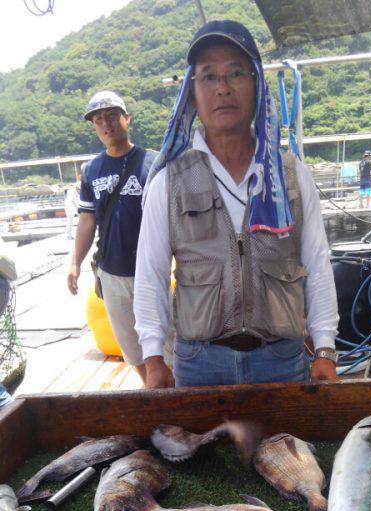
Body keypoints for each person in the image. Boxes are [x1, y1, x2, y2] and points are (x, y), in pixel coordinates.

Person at [134, 20, 339, 390]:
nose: (223, 88)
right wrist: (153, 358)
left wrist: (324, 349)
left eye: (236, 73)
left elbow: (318, 264)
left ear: (257, 84)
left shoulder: (291, 175)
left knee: (289, 449)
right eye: (208, 77)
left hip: (282, 357)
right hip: (199, 362)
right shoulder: (168, 181)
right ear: (192, 93)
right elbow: (151, 274)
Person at [67, 90, 155, 385]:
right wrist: (75, 263)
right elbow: (87, 219)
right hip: (111, 272)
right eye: (98, 120)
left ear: (126, 118)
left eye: (112, 116)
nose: (106, 124)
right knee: (131, 346)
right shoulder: (91, 170)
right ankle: (150, 389)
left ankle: (173, 393)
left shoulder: (153, 163)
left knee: (166, 340)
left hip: (151, 270)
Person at [64, 175, 81, 240]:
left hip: (77, 207)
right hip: (70, 207)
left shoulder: (78, 189)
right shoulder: (71, 191)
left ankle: (81, 235)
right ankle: (68, 235)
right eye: (79, 189)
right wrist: (76, 211)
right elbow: (71, 202)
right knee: (70, 221)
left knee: (82, 220)